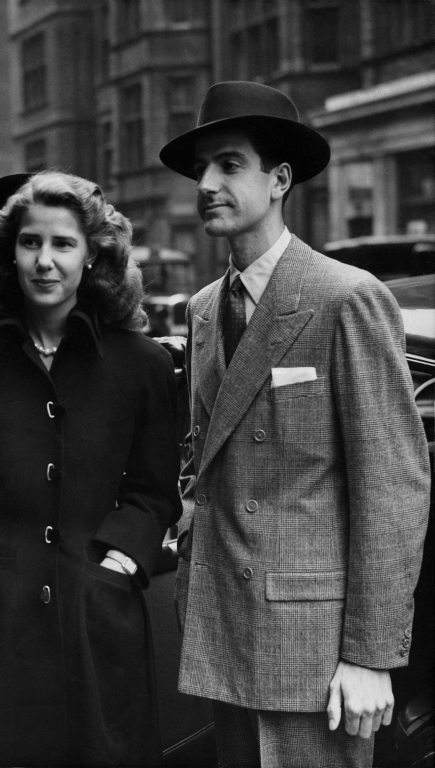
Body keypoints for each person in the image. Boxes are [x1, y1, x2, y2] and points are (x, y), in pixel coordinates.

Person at [158, 81, 431, 768]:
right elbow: (200, 455)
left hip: (313, 647)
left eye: (228, 164)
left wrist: (370, 655)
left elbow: (392, 487)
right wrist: (185, 527)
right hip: (221, 628)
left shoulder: (346, 297)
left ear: (280, 180)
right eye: (201, 169)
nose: (207, 184)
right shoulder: (202, 308)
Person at [0, 171, 182, 767]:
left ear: (93, 256)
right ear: (10, 253)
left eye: (63, 244)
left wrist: (117, 562)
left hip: (100, 619)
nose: (45, 261)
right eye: (30, 243)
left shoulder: (143, 366)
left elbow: (155, 491)